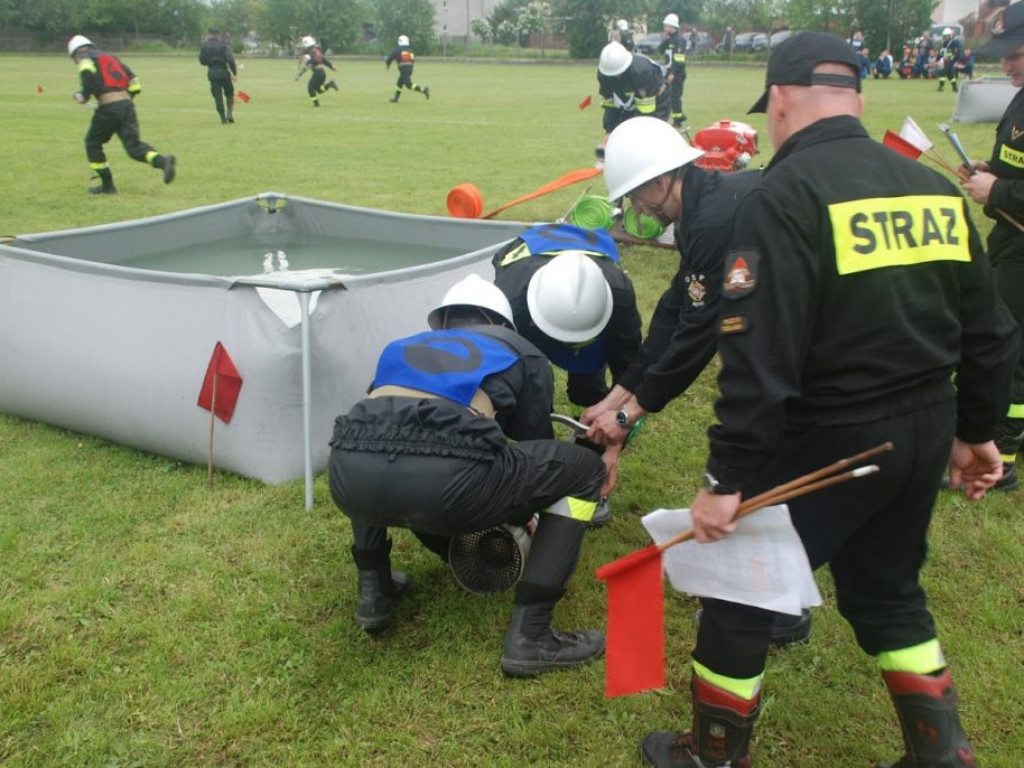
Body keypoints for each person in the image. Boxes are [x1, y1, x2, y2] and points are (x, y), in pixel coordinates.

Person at [637, 31, 1020, 768]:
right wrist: (974, 432)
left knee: (741, 597)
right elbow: (993, 332)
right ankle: (940, 754)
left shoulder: (781, 198)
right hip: (922, 429)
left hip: (829, 435)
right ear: (855, 100)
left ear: (780, 100)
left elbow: (757, 362)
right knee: (888, 590)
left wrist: (724, 481)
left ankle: (712, 755)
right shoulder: (932, 189)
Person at [584, 116, 812, 646]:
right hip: (781, 324)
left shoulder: (712, 219)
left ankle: (783, 610)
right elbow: (676, 309)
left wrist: (627, 416)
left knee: (770, 460)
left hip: (807, 337)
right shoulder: (700, 211)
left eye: (637, 195)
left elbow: (697, 337)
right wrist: (619, 392)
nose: (637, 208)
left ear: (663, 179)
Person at [328, 274, 607, 678]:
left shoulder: (402, 345)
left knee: (376, 443)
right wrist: (523, 515)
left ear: (441, 321)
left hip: (346, 473)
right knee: (582, 470)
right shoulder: (522, 352)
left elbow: (386, 426)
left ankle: (375, 591)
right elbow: (534, 445)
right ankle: (532, 636)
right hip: (445, 480)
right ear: (503, 323)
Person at [491, 225, 643, 525]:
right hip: (527, 309)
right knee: (529, 392)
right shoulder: (508, 300)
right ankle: (535, 472)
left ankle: (589, 465)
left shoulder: (619, 296)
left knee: (590, 387)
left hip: (589, 311)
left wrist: (613, 445)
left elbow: (631, 375)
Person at [958, 1, 1024, 491]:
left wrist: (998, 192)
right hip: (1008, 237)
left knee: (1007, 347)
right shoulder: (1020, 98)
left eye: (1014, 54)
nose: (1005, 65)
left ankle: (1001, 452)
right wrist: (990, 169)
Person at [66, 35, 175, 195]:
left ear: (78, 51)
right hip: (126, 105)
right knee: (133, 146)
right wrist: (124, 98)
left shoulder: (85, 58)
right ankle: (163, 162)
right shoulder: (111, 58)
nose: (76, 61)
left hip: (109, 108)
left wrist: (83, 96)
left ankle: (107, 185)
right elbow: (135, 83)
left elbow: (88, 77)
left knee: (92, 143)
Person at [597, 41, 670, 135]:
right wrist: (610, 130)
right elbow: (610, 103)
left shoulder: (642, 71)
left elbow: (646, 113)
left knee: (650, 132)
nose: (614, 77)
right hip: (631, 100)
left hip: (656, 97)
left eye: (617, 74)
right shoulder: (604, 74)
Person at [199, 29, 238, 124]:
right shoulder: (223, 45)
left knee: (218, 97)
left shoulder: (204, 46)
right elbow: (231, 60)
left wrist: (210, 63)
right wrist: (234, 73)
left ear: (209, 34)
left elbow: (202, 61)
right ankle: (229, 112)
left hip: (212, 73)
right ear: (218, 34)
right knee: (229, 94)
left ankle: (223, 119)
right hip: (223, 72)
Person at [659, 13, 688, 126]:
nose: (664, 27)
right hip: (668, 72)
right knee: (667, 96)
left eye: (666, 25)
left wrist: (673, 73)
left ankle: (678, 120)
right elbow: (660, 50)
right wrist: (665, 40)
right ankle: (678, 117)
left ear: (671, 26)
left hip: (677, 73)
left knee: (674, 97)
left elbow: (679, 59)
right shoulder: (669, 39)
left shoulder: (679, 40)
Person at [295, 35, 338, 107]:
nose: (303, 47)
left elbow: (313, 60)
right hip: (322, 73)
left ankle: (316, 104)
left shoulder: (311, 52)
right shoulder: (316, 51)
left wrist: (307, 64)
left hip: (318, 73)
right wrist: (331, 66)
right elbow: (323, 59)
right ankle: (330, 84)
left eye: (304, 45)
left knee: (310, 88)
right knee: (319, 90)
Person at [385, 34, 429, 103]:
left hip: (403, 69)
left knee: (408, 85)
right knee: (399, 82)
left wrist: (388, 65)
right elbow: (412, 60)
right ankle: (396, 98)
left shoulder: (397, 50)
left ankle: (423, 90)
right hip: (410, 69)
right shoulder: (410, 50)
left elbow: (389, 58)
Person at [937, 27, 964, 92]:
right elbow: (942, 52)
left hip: (952, 60)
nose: (945, 37)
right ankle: (955, 87)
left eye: (947, 36)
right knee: (949, 74)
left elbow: (958, 52)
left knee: (943, 73)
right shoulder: (944, 43)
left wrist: (957, 61)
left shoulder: (955, 42)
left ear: (950, 35)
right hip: (946, 60)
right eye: (944, 36)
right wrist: (939, 60)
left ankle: (941, 87)